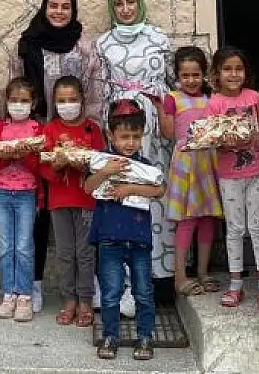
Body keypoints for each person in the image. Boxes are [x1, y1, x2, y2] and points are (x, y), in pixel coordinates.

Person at [11, 0, 105, 313]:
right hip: (38, 135)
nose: (59, 12)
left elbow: (93, 94)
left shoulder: (85, 47)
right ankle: (33, 282)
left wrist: (88, 137)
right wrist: (16, 132)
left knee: (82, 215)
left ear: (73, 10)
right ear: (44, 7)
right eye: (54, 6)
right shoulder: (27, 45)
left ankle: (88, 285)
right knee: (38, 213)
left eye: (66, 6)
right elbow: (16, 90)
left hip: (77, 137)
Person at [95, 0, 176, 302]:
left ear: (139, 3)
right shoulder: (103, 43)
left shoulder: (158, 38)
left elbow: (171, 82)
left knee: (153, 191)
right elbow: (100, 88)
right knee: (122, 192)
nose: (126, 8)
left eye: (131, 2)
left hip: (154, 125)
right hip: (119, 122)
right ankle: (123, 282)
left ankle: (158, 277)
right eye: (119, 4)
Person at [86, 100, 167, 361]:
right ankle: (111, 336)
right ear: (111, 135)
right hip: (110, 239)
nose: (130, 143)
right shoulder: (102, 162)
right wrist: (106, 171)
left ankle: (145, 336)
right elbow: (88, 188)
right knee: (111, 293)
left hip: (138, 239)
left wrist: (129, 189)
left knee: (143, 292)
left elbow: (160, 189)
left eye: (135, 136)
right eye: (124, 137)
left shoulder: (144, 166)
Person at [209, 47, 259, 311]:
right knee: (236, 229)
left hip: (256, 172)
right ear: (216, 73)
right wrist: (222, 140)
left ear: (246, 72)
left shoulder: (253, 98)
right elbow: (210, 136)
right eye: (227, 69)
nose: (233, 74)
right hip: (229, 175)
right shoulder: (214, 103)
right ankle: (235, 284)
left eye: (238, 68)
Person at [40, 75, 105, 327]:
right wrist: (56, 166)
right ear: (54, 102)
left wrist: (84, 163)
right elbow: (43, 167)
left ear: (82, 100)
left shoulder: (93, 130)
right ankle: (69, 300)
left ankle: (86, 300)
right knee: (65, 253)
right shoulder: (50, 130)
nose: (67, 105)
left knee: (86, 252)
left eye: (72, 100)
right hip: (59, 200)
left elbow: (101, 164)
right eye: (61, 101)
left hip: (86, 200)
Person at [159, 46, 223, 297]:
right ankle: (180, 276)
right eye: (185, 76)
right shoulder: (173, 98)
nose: (191, 80)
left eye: (196, 75)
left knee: (208, 217)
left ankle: (203, 271)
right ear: (177, 76)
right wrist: (160, 109)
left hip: (209, 162)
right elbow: (167, 133)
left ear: (205, 74)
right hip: (186, 163)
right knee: (187, 219)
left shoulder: (212, 98)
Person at [0, 77, 43, 323]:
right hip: (2, 191)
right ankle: (8, 293)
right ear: (6, 102)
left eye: (24, 101)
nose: (18, 105)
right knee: (5, 245)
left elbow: (41, 167)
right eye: (13, 100)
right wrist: (5, 157)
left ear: (33, 103)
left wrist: (24, 155)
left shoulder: (37, 130)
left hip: (27, 192)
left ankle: (25, 296)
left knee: (23, 246)